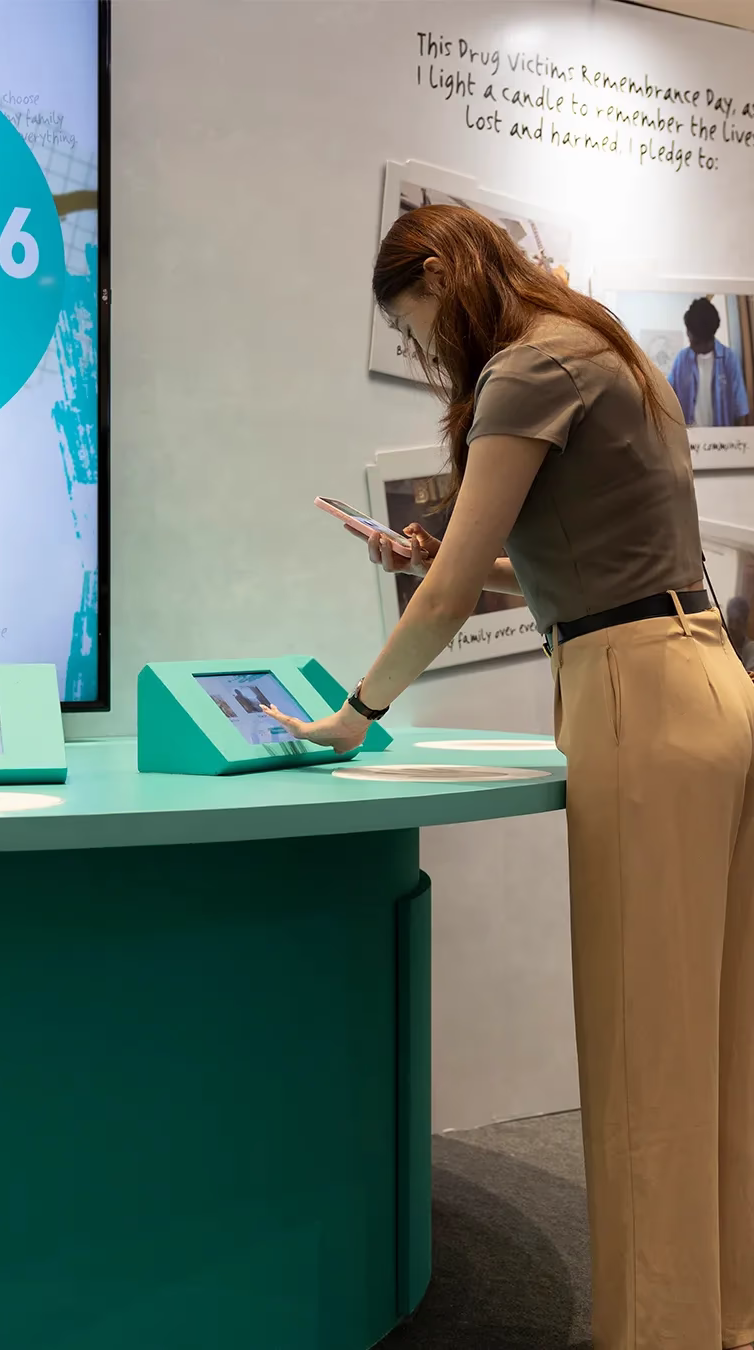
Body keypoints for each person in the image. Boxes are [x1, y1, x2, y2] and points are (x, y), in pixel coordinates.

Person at [263, 204, 754, 1350]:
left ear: (442, 270)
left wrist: (357, 713)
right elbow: (569, 551)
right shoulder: (596, 342)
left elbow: (443, 605)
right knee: (716, 1041)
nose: (426, 348)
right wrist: (441, 552)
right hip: (705, 677)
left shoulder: (525, 367)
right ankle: (722, 1314)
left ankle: (658, 1334)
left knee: (642, 1049)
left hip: (636, 695)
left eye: (416, 323)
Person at [668, 296, 751, 428]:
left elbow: (741, 410)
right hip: (689, 436)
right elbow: (667, 394)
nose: (689, 338)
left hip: (720, 437)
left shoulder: (729, 359)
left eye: (694, 339)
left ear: (708, 338)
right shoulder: (682, 359)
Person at [726, 594, 754, 671]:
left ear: (745, 623)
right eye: (730, 621)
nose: (733, 627)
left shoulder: (751, 649)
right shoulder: (722, 646)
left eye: (738, 622)